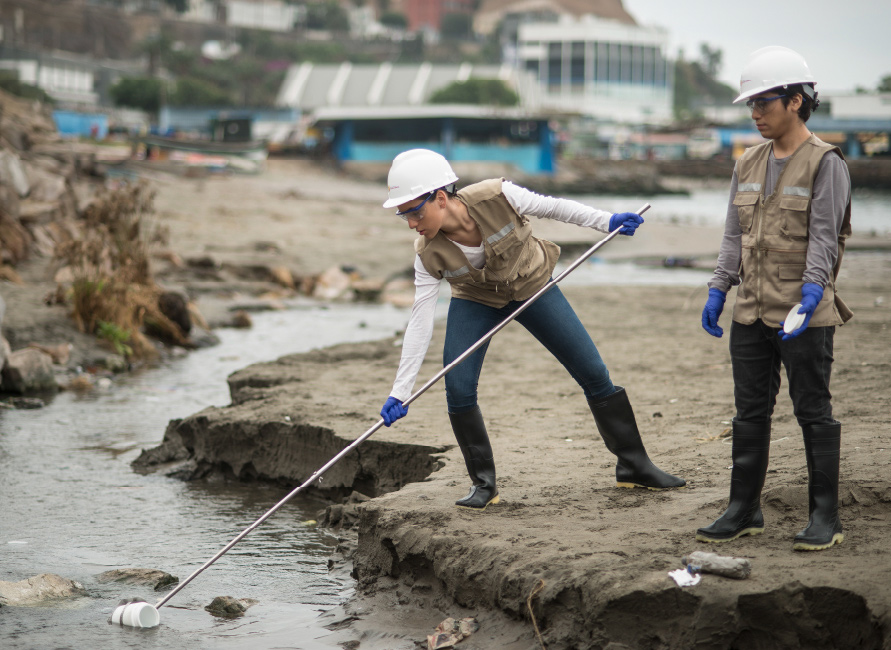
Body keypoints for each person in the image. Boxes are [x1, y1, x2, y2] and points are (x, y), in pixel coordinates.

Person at [378, 148, 685, 511]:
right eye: (403, 215)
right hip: (476, 301)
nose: (412, 222)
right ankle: (484, 484)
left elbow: (554, 207)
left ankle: (634, 465)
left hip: (533, 286)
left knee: (593, 372)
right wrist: (401, 391)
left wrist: (607, 221)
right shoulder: (426, 254)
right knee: (458, 388)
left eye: (414, 211)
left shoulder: (498, 194)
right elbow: (420, 318)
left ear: (440, 198)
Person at [696, 46, 852, 551]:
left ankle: (824, 517)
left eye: (764, 103)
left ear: (796, 101)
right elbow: (731, 236)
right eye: (751, 105)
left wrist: (812, 290)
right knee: (749, 413)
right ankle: (744, 510)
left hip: (803, 312)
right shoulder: (747, 162)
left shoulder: (826, 164)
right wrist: (719, 288)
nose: (755, 113)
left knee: (813, 411)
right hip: (751, 310)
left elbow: (826, 237)